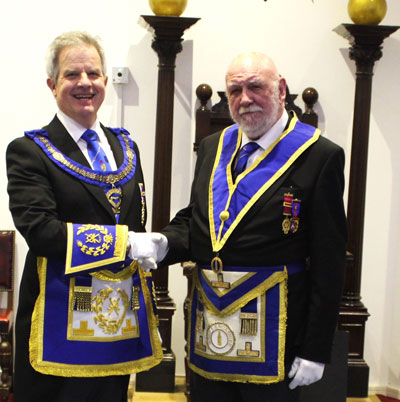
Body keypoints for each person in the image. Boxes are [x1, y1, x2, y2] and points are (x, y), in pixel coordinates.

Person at [158, 52, 347, 401]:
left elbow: (329, 262)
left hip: (278, 336)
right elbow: (200, 221)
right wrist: (162, 243)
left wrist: (316, 348)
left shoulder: (320, 155)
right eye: (234, 90)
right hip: (210, 327)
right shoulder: (214, 146)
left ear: (281, 89)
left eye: (255, 86)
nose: (245, 99)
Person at [6, 31, 163, 402]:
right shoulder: (29, 151)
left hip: (115, 317)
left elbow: (134, 221)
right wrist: (126, 243)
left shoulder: (127, 147)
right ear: (52, 84)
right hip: (58, 319)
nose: (84, 83)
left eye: (93, 74)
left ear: (106, 81)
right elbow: (42, 231)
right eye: (72, 74)